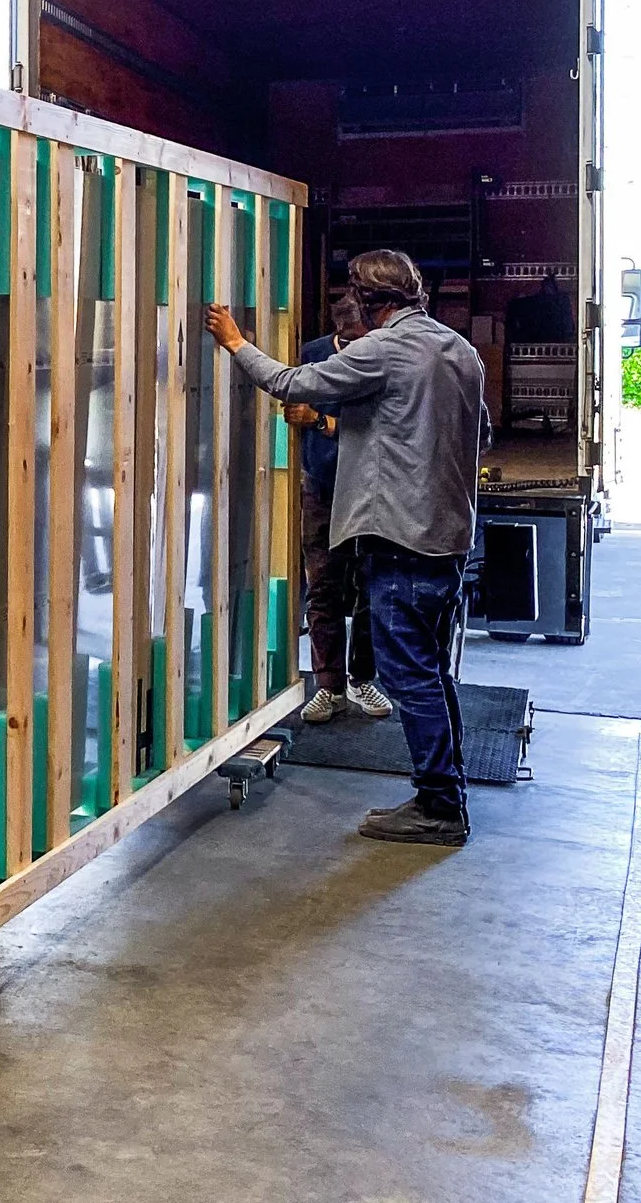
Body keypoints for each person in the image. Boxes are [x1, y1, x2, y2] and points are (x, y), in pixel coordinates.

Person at [206, 248, 486, 848]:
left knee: (411, 680)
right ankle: (445, 795)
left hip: (401, 542)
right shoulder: (459, 349)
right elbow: (467, 430)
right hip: (447, 539)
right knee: (433, 675)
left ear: (370, 301)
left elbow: (289, 382)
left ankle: (439, 808)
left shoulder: (381, 350)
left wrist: (235, 341)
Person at [291, 288, 392, 725]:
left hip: (370, 492)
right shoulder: (313, 354)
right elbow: (292, 407)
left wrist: (320, 421)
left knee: (372, 590)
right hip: (322, 489)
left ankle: (362, 678)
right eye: (345, 328)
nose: (353, 336)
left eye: (360, 327)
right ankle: (328, 685)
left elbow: (379, 428)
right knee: (324, 589)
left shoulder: (382, 357)